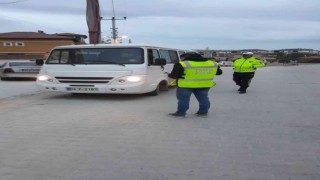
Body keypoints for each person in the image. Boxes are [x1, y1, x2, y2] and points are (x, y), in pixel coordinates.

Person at [168, 53, 223, 118]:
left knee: (183, 100)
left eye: (181, 58)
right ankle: (203, 113)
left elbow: (174, 76)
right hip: (204, 85)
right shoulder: (213, 63)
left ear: (185, 57)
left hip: (186, 85)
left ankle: (181, 114)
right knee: (203, 98)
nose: (181, 59)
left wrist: (169, 74)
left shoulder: (182, 64)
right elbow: (219, 73)